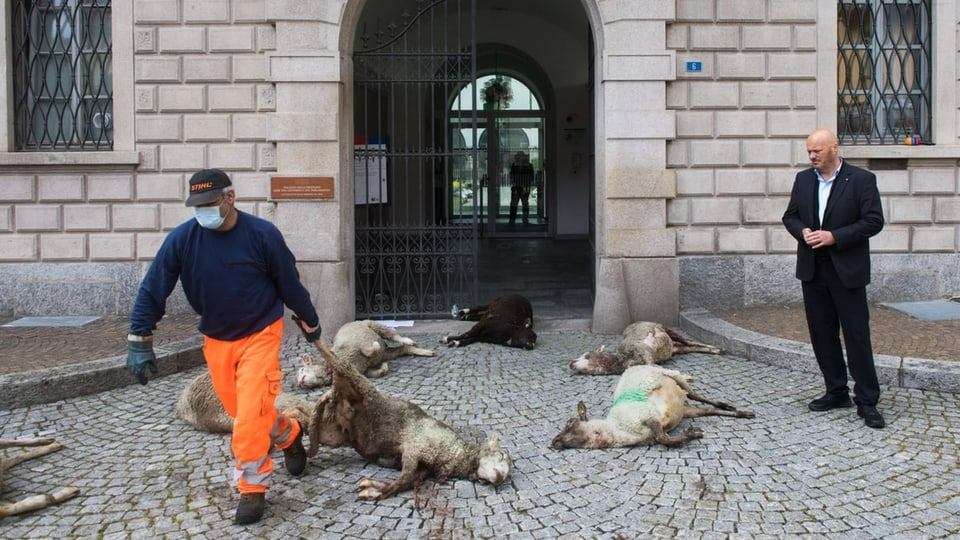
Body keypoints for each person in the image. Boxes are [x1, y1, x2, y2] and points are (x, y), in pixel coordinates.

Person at [125, 168, 323, 524]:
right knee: (245, 409)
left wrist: (310, 320)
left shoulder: (262, 235)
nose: (202, 211)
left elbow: (289, 283)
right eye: (196, 205)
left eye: (209, 203)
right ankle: (290, 433)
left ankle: (252, 488)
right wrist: (140, 338)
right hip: (217, 338)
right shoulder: (183, 240)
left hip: (260, 332)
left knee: (247, 416)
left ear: (229, 198)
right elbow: (154, 286)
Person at [782, 128, 886, 429]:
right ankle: (836, 391)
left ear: (834, 148)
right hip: (813, 271)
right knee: (822, 334)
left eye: (818, 150)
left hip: (847, 270)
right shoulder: (803, 180)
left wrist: (834, 237)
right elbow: (790, 216)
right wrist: (802, 232)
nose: (812, 156)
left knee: (856, 336)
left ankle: (867, 401)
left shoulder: (862, 180)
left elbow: (873, 221)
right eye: (809, 152)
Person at [508, 150, 534, 224]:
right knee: (514, 204)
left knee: (524, 203)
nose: (520, 158)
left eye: (521, 156)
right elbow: (511, 176)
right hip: (516, 187)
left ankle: (525, 219)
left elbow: (531, 177)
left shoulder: (528, 165)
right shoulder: (514, 165)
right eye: (518, 156)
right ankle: (512, 220)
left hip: (524, 187)